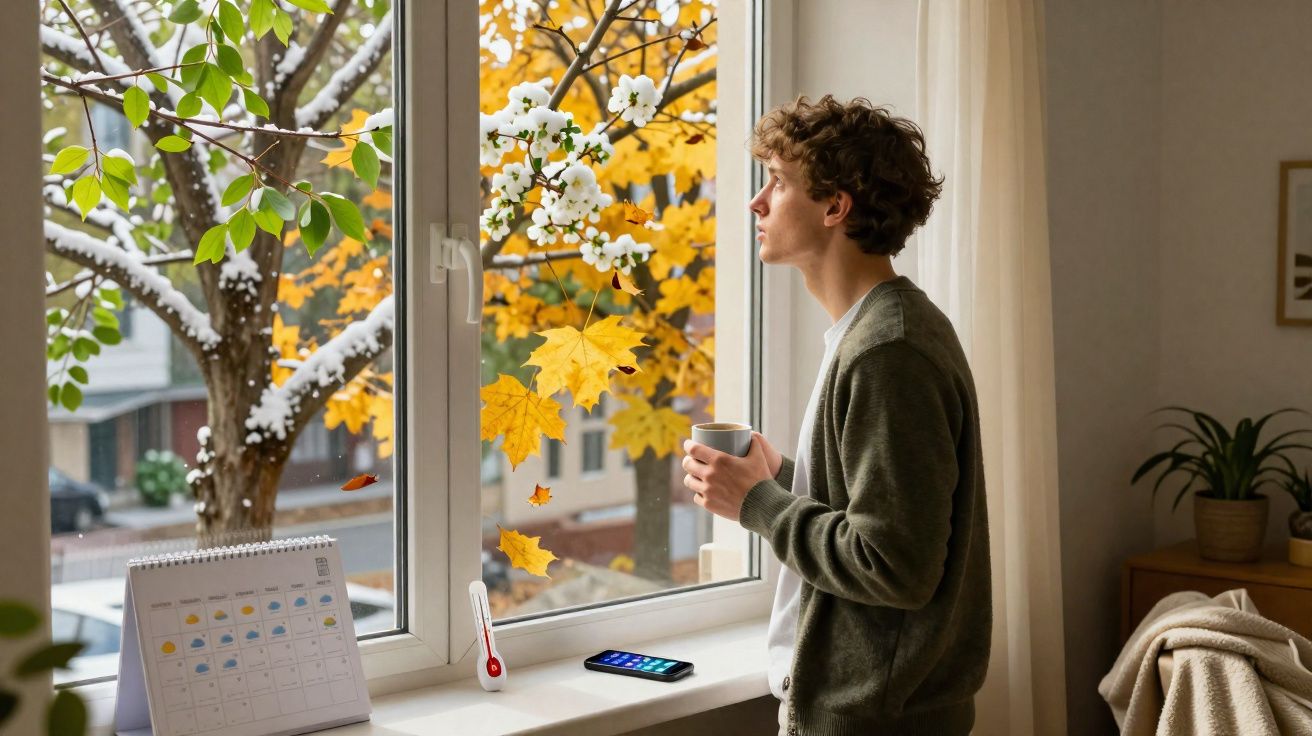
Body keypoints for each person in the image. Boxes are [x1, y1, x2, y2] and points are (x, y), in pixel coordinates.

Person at [681, 95, 991, 736]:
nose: (756, 203)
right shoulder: (877, 333)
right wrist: (784, 476)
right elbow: (888, 511)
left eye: (778, 181)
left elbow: (894, 565)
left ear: (834, 206)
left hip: (878, 720)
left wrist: (759, 504)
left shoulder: (889, 352)